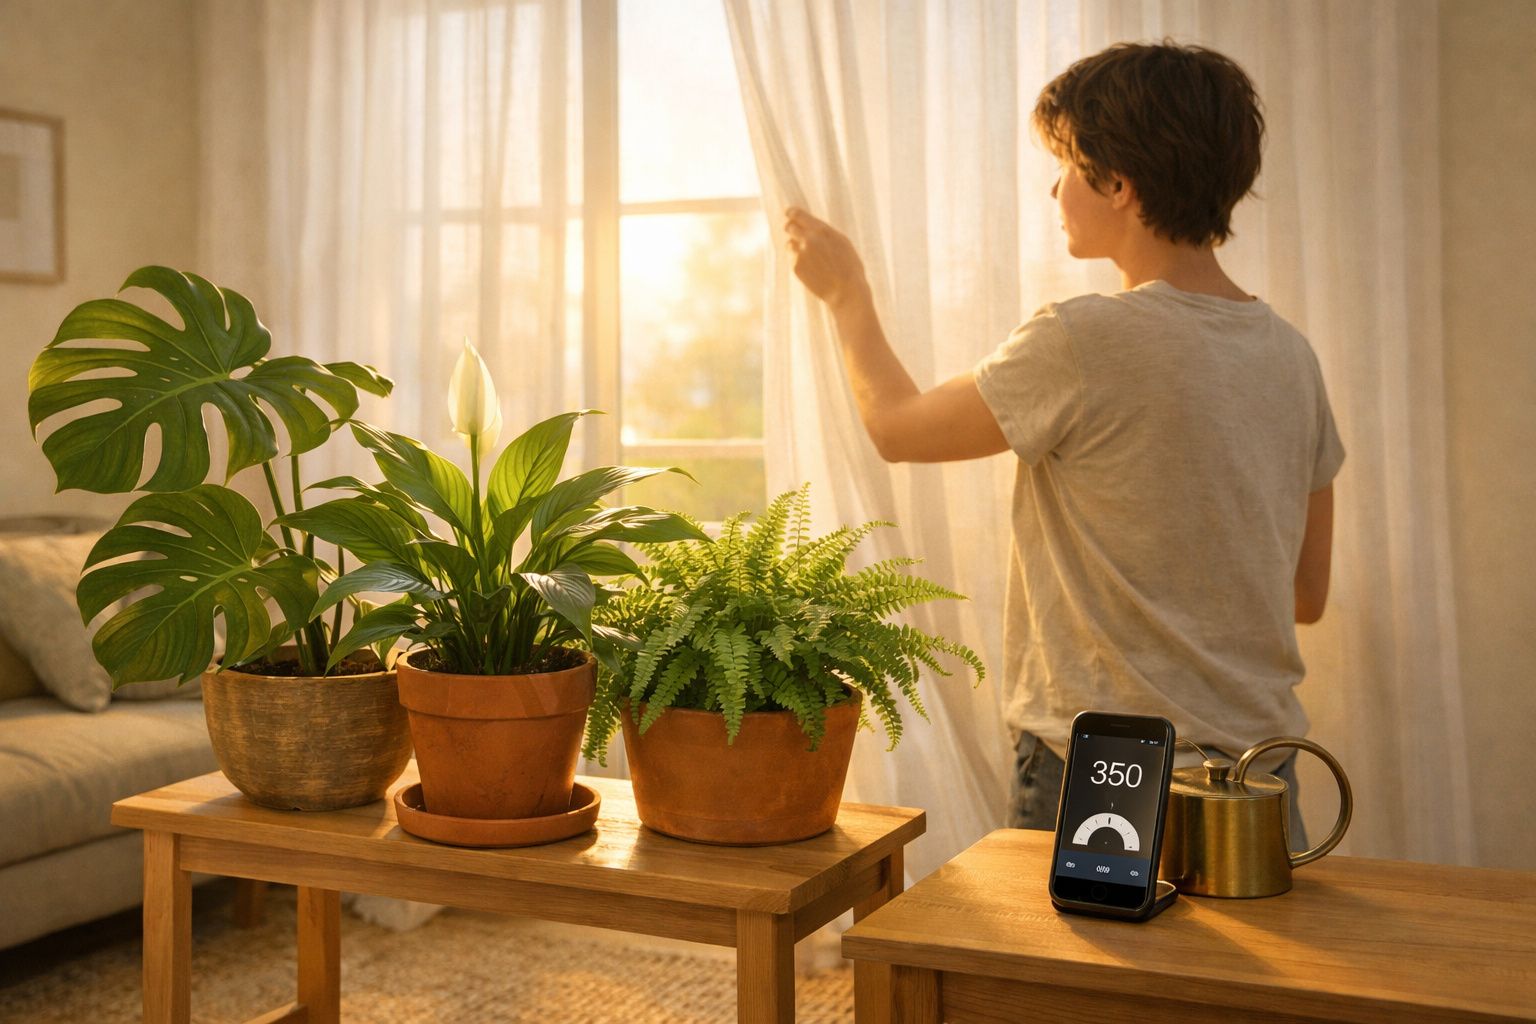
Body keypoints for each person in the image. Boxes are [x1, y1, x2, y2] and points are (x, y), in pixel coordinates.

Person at [783, 41, 1341, 844]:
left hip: (1110, 766)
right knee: (1225, 976)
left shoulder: (1083, 339)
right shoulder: (1292, 356)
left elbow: (896, 429)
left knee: (1077, 973)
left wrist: (847, 294)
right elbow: (1305, 596)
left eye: (1068, 165)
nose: (1054, 187)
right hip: (1258, 769)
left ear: (1119, 183)